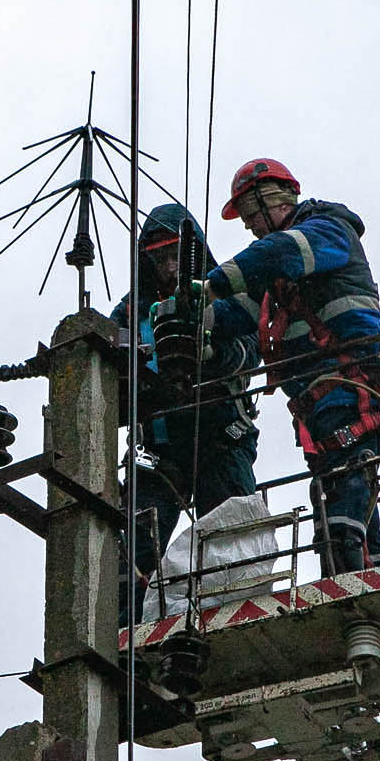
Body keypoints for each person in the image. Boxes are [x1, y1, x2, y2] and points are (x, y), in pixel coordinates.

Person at [205, 159, 380, 574]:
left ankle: (347, 574)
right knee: (341, 488)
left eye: (251, 214)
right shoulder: (277, 274)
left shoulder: (328, 231)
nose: (249, 226)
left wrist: (211, 285)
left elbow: (280, 253)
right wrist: (195, 318)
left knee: (346, 482)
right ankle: (371, 572)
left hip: (351, 379)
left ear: (273, 199)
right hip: (318, 397)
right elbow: (239, 313)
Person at [113, 203, 260, 626]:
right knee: (134, 549)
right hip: (158, 449)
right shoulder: (131, 312)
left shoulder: (219, 293)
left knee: (229, 536)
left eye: (174, 254)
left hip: (221, 435)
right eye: (158, 257)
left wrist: (210, 353)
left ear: (190, 251)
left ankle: (230, 619)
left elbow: (250, 350)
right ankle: (125, 632)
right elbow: (106, 362)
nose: (168, 265)